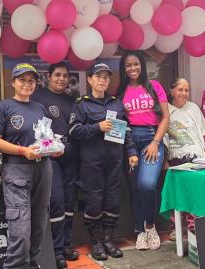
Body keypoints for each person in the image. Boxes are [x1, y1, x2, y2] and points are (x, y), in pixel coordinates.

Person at [0, 63, 63, 269]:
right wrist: (22, 151)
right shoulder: (3, 107)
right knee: (20, 231)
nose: (27, 84)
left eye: (31, 81)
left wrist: (54, 147)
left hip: (43, 168)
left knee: (38, 225)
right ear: (13, 82)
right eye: (22, 80)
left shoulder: (39, 108)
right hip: (16, 169)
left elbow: (45, 138)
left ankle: (31, 265)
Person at [70, 62, 138, 260]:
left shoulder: (116, 103)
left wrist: (132, 152)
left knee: (113, 202)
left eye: (106, 77)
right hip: (92, 165)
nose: (102, 80)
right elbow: (74, 131)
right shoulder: (81, 104)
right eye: (98, 76)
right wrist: (97, 127)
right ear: (90, 79)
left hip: (115, 162)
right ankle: (96, 243)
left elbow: (126, 130)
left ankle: (108, 240)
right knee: (93, 204)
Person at [117, 51, 169, 250]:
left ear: (142, 65)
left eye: (136, 64)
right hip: (130, 142)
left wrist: (156, 142)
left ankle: (150, 225)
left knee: (147, 184)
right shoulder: (120, 91)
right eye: (128, 65)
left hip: (151, 139)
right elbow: (119, 123)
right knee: (135, 189)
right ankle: (139, 231)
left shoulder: (154, 86)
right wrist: (128, 149)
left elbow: (165, 117)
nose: (132, 68)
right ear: (123, 68)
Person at [30, 62, 79, 269]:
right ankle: (56, 251)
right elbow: (38, 131)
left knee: (69, 202)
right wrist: (51, 146)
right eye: (57, 75)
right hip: (52, 157)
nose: (61, 79)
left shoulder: (72, 100)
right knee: (57, 201)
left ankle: (67, 245)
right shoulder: (38, 98)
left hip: (72, 156)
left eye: (65, 76)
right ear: (48, 77)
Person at [164, 78, 205, 241]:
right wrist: (164, 160)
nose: (183, 93)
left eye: (186, 90)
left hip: (196, 158)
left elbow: (201, 133)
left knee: (194, 193)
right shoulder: (166, 110)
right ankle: (175, 227)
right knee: (179, 192)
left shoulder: (194, 108)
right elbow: (163, 137)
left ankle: (193, 226)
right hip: (176, 158)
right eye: (180, 90)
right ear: (172, 91)